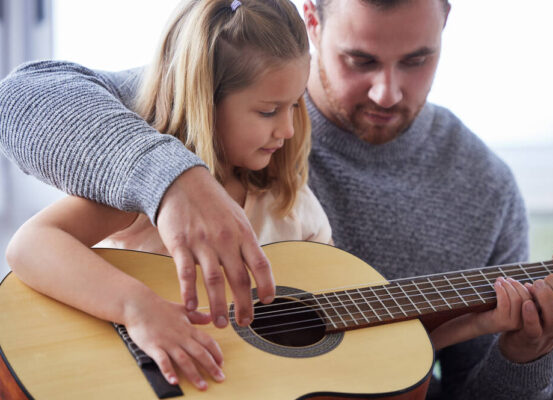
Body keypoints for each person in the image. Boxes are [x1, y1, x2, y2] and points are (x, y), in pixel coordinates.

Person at [0, 0, 553, 398]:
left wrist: (521, 350)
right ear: (313, 19)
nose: (387, 90)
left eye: (417, 60)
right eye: (359, 60)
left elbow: (366, 368)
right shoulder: (226, 74)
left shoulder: (303, 198)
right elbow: (24, 97)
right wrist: (171, 180)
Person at [4, 0, 333, 390]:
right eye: (267, 111)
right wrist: (136, 307)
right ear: (204, 100)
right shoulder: (150, 194)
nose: (288, 129)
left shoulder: (293, 205)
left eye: (294, 106)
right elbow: (29, 246)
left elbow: (327, 309)